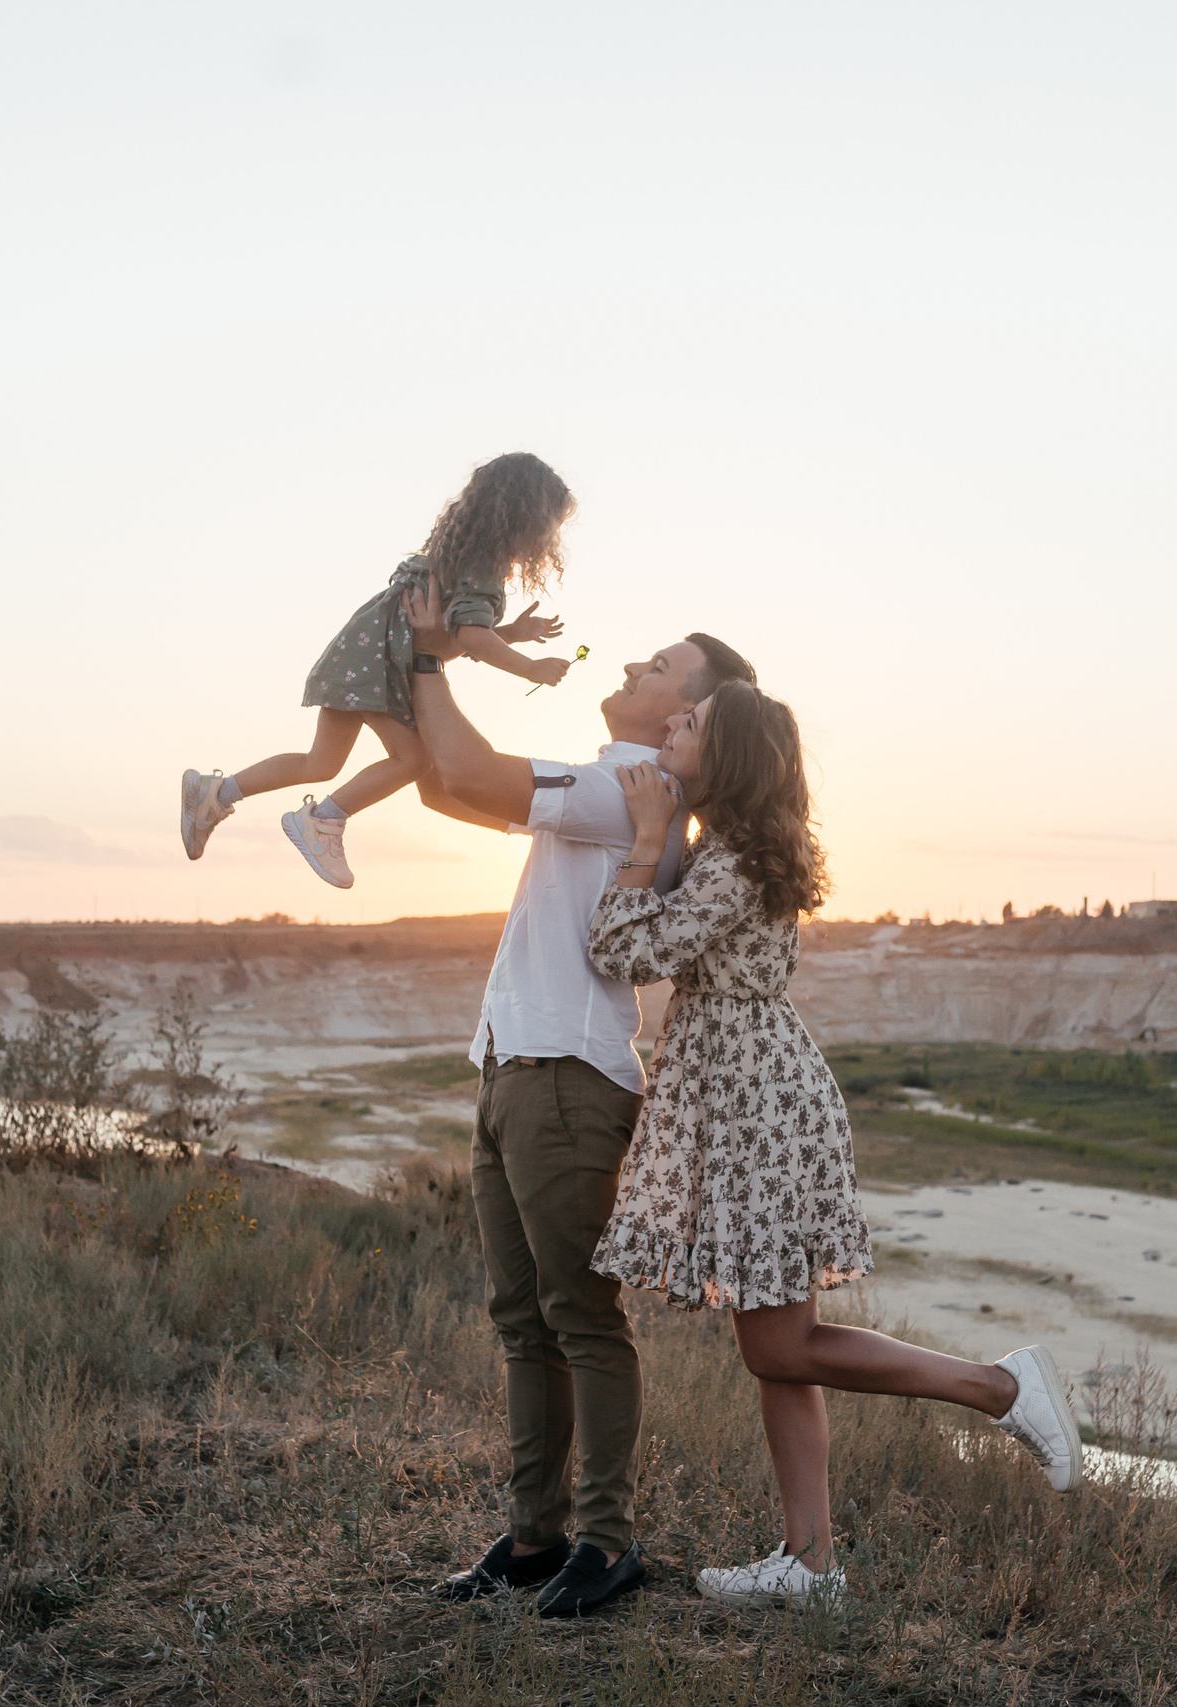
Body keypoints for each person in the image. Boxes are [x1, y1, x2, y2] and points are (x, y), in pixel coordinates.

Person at [586, 682, 1084, 1611]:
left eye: (689, 724)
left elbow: (623, 953)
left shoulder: (729, 861)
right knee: (777, 1344)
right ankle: (809, 1565)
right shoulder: (733, 849)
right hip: (749, 1100)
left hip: (755, 1107)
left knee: (781, 1338)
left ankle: (998, 1387)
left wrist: (646, 841)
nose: (671, 726)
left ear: (727, 756)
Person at [400, 578, 756, 1618]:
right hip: (517, 1061)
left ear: (687, 716)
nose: (634, 670)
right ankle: (532, 1536)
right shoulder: (612, 782)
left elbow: (462, 768)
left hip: (564, 1078)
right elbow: (444, 788)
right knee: (524, 1318)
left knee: (579, 1319)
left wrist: (429, 658)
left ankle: (605, 1542)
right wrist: (421, 675)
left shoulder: (633, 786)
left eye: (659, 669)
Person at [177, 452, 579, 889]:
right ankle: (324, 820)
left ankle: (217, 792)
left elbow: (457, 631)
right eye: (548, 529)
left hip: (357, 657)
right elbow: (469, 636)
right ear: (525, 520)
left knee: (320, 761)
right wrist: (529, 668)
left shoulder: (458, 553)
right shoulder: (483, 567)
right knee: (412, 760)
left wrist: (511, 633)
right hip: (379, 668)